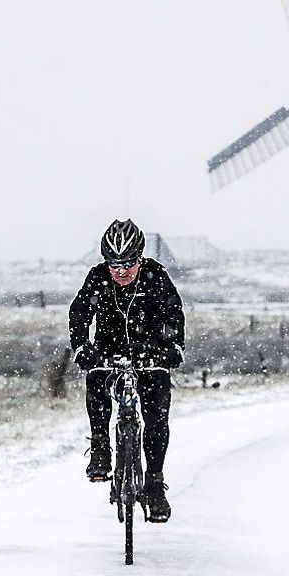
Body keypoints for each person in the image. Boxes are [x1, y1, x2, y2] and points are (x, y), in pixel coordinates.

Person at [68, 219, 185, 523]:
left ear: (140, 258)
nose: (121, 271)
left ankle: (155, 484)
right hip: (108, 351)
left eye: (128, 264)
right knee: (95, 382)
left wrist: (174, 346)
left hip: (150, 352)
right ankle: (100, 448)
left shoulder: (156, 276)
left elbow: (174, 311)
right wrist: (82, 347)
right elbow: (80, 312)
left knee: (157, 415)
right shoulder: (97, 278)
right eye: (114, 264)